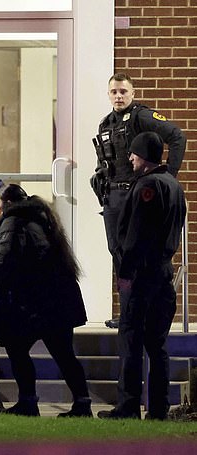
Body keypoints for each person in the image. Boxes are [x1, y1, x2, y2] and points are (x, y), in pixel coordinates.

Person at [0, 184, 91, 417]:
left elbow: (3, 260)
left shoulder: (14, 222)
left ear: (9, 204)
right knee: (63, 354)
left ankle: (28, 401)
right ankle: (82, 403)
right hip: (55, 300)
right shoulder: (40, 219)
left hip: (35, 304)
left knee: (17, 349)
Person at [97, 132, 186, 421]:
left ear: (144, 156)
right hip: (163, 273)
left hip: (142, 275)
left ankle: (128, 405)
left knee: (131, 340)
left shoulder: (147, 186)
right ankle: (158, 407)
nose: (130, 158)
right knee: (157, 343)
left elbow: (137, 235)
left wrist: (125, 274)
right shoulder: (173, 185)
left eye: (134, 153)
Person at [90, 73, 185, 328]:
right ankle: (129, 312)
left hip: (136, 196)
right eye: (114, 92)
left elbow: (177, 136)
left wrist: (168, 178)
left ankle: (142, 313)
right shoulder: (106, 123)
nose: (118, 96)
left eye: (123, 91)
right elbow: (107, 159)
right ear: (108, 94)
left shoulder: (141, 116)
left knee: (138, 254)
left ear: (133, 93)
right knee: (119, 255)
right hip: (112, 197)